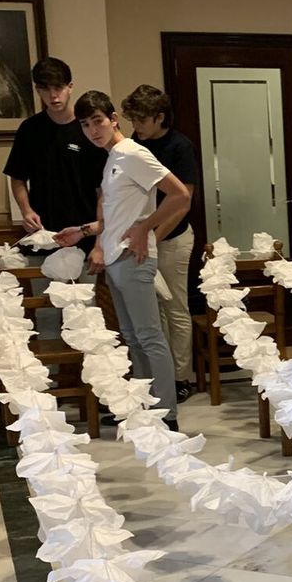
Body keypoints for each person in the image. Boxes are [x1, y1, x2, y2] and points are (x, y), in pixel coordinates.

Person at [54, 91, 191, 429]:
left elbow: (180, 195)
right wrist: (83, 231)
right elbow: (117, 217)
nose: (93, 130)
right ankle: (143, 407)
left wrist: (145, 228)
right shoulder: (113, 157)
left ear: (113, 119)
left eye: (97, 121)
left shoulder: (132, 153)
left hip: (134, 256)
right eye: (85, 125)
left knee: (149, 336)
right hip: (116, 256)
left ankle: (167, 416)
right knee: (132, 337)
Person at [122, 84, 199, 404]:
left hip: (173, 237)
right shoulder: (134, 144)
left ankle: (182, 378)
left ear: (160, 117)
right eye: (133, 119)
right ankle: (159, 378)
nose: (136, 125)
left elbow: (183, 201)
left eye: (142, 120)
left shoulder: (179, 146)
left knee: (175, 309)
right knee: (152, 314)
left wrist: (152, 236)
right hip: (144, 238)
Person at [3, 58, 106, 246]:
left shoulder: (89, 128)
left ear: (70, 87)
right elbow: (17, 176)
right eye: (45, 89)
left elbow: (103, 189)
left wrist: (99, 241)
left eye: (58, 88)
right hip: (43, 232)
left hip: (84, 232)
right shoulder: (30, 129)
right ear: (38, 91)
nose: (53, 96)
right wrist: (26, 210)